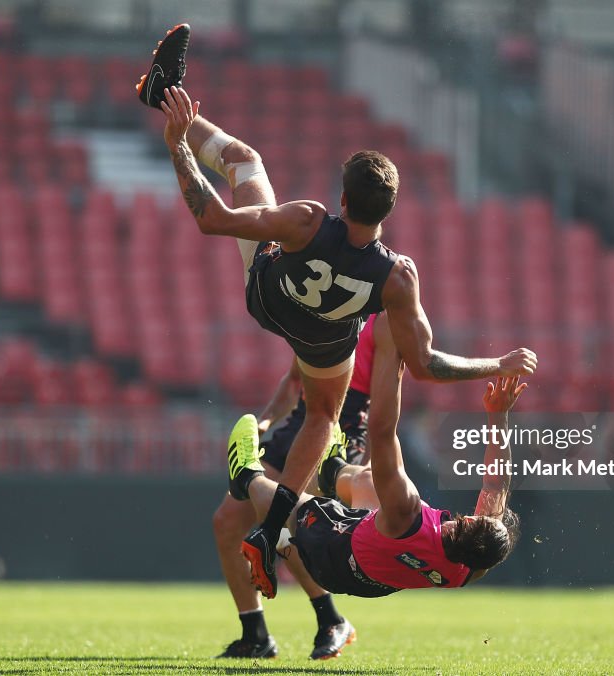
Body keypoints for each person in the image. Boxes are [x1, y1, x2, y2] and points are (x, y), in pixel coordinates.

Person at [140, 25, 537, 599]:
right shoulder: (397, 277)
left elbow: (211, 218)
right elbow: (427, 366)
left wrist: (178, 143)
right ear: (390, 210)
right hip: (324, 343)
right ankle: (275, 527)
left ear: (344, 198)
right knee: (324, 420)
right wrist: (490, 364)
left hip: (270, 300)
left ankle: (166, 102)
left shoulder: (307, 220)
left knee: (245, 163)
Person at [225, 330, 526, 597]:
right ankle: (335, 470)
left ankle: (247, 476)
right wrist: (497, 415)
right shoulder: (473, 568)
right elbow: (496, 483)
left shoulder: (406, 512)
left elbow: (382, 433)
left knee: (292, 503)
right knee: (369, 481)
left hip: (332, 555)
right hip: (374, 580)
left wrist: (393, 359)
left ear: (471, 521)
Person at [212, 313, 381, 660]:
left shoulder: (386, 320)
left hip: (339, 430)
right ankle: (255, 633)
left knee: (292, 526)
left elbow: (394, 391)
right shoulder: (323, 310)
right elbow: (293, 382)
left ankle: (330, 619)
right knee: (227, 522)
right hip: (299, 424)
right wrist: (265, 421)